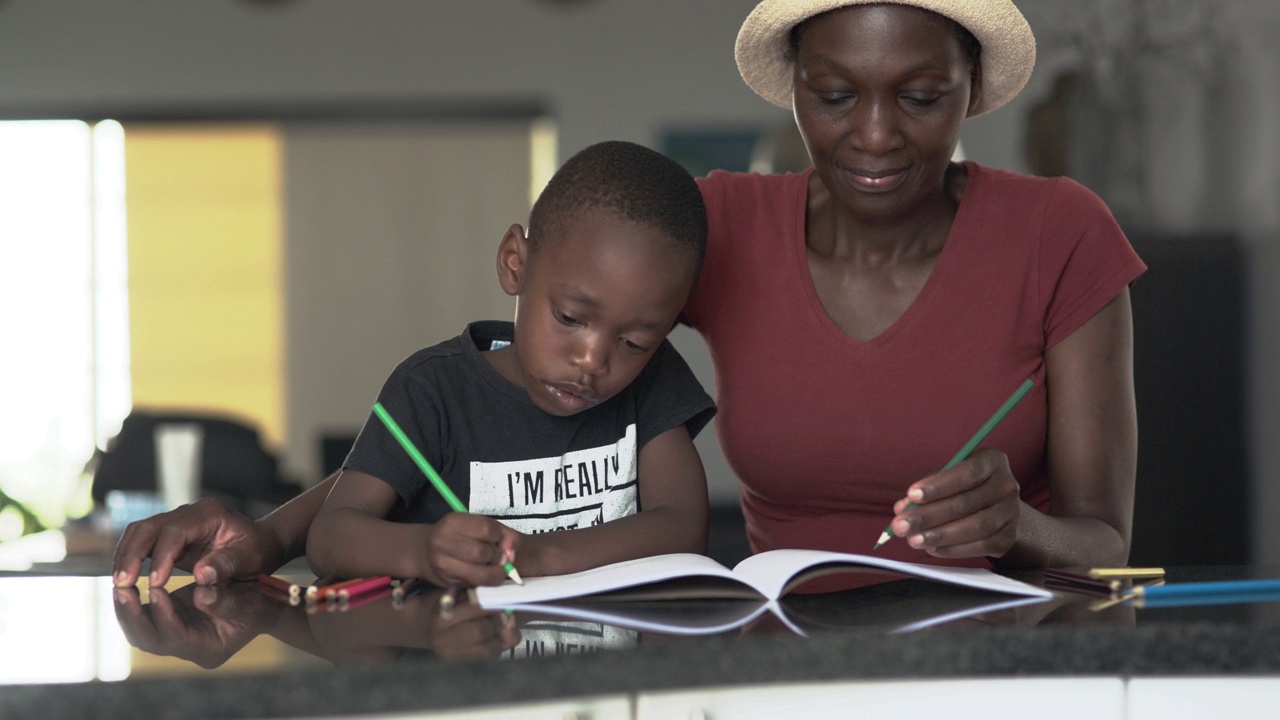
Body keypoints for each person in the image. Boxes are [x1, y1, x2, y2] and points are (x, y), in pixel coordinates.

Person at [114, 0, 1143, 587]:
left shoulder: (1058, 234)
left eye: (920, 98)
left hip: (1007, 652)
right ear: (791, 88)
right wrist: (276, 530)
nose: (873, 136)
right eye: (833, 97)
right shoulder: (722, 225)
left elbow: (1104, 539)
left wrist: (1021, 527)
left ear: (972, 87)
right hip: (777, 649)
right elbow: (508, 373)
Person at [113, 140, 716, 588]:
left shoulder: (654, 381)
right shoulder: (434, 390)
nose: (593, 359)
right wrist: (426, 551)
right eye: (569, 318)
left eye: (636, 341)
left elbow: (682, 524)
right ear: (515, 264)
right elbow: (334, 535)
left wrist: (533, 557)